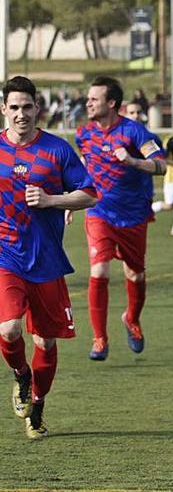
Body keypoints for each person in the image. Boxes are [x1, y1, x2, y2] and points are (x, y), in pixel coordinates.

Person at [0, 76, 97, 439]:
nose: (21, 114)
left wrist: (53, 200)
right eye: (14, 107)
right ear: (3, 110)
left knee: (46, 342)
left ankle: (37, 406)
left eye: (27, 107)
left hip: (46, 261)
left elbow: (89, 194)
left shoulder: (57, 150)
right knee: (8, 329)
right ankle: (21, 375)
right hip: (6, 255)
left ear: (37, 108)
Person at [76, 76, 167, 361]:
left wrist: (132, 161)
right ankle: (100, 339)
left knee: (135, 274)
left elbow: (162, 166)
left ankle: (132, 319)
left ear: (111, 103)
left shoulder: (135, 132)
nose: (88, 103)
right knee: (99, 271)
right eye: (88, 98)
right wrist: (71, 198)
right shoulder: (84, 134)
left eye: (94, 98)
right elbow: (84, 165)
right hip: (99, 211)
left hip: (134, 215)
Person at [151, 115, 173, 237]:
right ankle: (146, 211)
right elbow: (163, 159)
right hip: (172, 177)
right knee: (169, 206)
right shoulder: (169, 141)